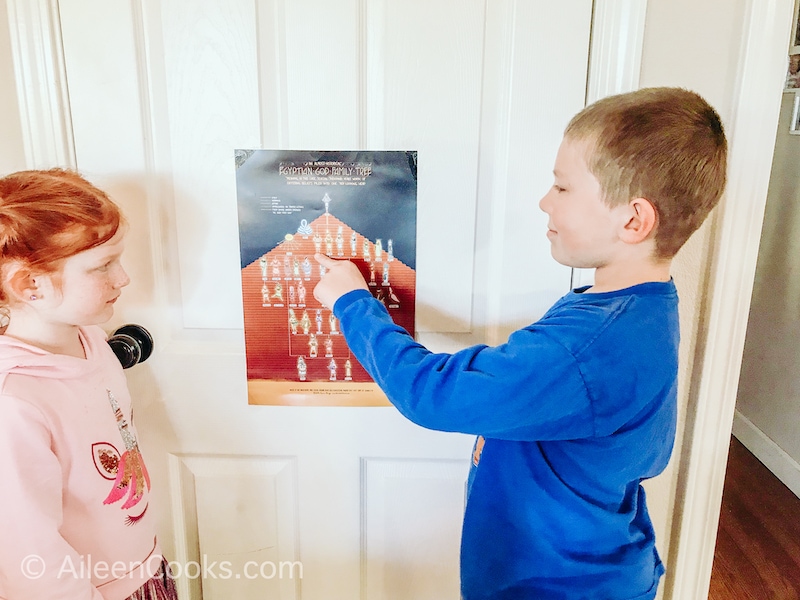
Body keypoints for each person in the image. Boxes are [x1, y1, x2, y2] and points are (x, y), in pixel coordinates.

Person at [313, 87, 727, 599]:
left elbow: (431, 395)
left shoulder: (589, 348)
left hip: (555, 587)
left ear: (633, 220)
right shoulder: (635, 308)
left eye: (563, 188)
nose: (544, 201)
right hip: (586, 568)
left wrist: (352, 303)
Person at [0, 169, 178, 600]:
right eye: (103, 266)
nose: (124, 279)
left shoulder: (92, 342)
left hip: (144, 569)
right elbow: (28, 556)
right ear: (30, 285)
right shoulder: (14, 403)